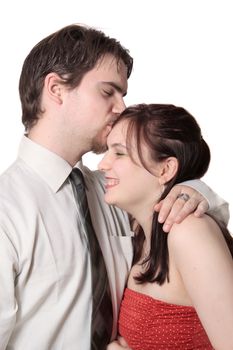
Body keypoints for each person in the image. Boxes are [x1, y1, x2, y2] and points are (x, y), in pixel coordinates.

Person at [0, 24, 229, 350]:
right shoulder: (6, 210)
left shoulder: (114, 193)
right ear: (56, 89)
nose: (121, 107)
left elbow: (181, 226)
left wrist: (194, 192)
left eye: (123, 94)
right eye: (108, 92)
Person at [99, 103, 233, 350]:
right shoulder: (139, 231)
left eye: (119, 153)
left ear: (166, 169)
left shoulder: (189, 232)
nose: (103, 164)